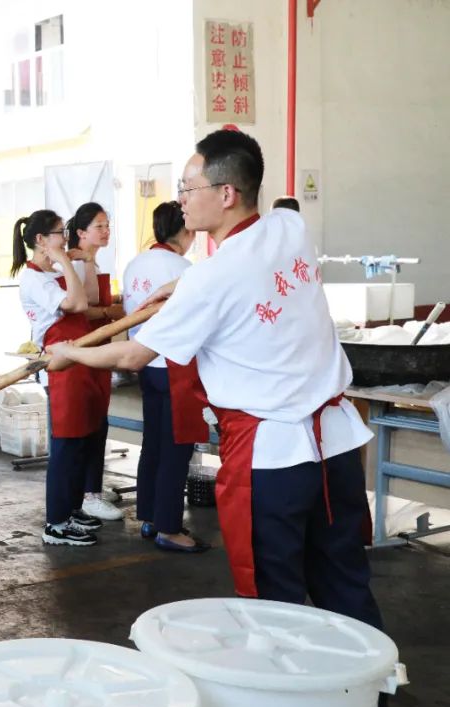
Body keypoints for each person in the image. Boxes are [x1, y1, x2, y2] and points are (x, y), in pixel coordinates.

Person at [47, 129, 384, 630]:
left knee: (277, 600)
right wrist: (180, 284)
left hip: (273, 460)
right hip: (335, 450)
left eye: (187, 187)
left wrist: (69, 352)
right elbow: (256, 253)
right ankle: (371, 701)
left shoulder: (209, 279)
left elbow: (137, 355)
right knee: (344, 583)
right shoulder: (290, 228)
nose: (180, 200)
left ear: (226, 194)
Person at [13, 209, 104, 546]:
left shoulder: (49, 274)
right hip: (60, 363)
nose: (64, 241)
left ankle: (73, 508)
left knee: (81, 439)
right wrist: (66, 261)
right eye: (59, 235)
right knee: (65, 444)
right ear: (41, 240)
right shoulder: (34, 278)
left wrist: (86, 260)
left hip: (79, 359)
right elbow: (79, 305)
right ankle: (56, 523)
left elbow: (91, 298)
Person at [121, 201, 207, 552]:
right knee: (175, 449)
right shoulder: (185, 268)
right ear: (185, 231)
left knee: (154, 444)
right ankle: (169, 528)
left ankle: (150, 517)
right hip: (174, 367)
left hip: (144, 366)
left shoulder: (134, 264)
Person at [65, 203, 126, 521]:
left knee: (98, 422)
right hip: (84, 350)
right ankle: (87, 494)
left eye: (107, 225)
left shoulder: (92, 260)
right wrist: (107, 312)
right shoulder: (75, 261)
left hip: (99, 349)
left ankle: (91, 488)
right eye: (99, 226)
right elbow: (80, 307)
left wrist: (113, 303)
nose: (106, 231)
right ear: (80, 232)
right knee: (86, 425)